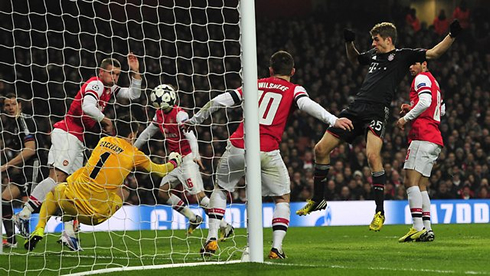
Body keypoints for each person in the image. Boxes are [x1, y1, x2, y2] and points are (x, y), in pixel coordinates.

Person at [185, 50, 353, 259]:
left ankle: (211, 239)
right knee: (282, 198)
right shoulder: (294, 89)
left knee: (221, 190)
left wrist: (196, 119)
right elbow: (306, 105)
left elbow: (221, 100)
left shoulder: (255, 84)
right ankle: (276, 248)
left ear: (271, 70)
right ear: (292, 71)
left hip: (238, 146)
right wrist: (333, 119)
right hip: (267, 150)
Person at [296, 20, 462, 232]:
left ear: (388, 39)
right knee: (320, 149)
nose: (373, 43)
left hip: (377, 109)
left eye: (376, 39)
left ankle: (379, 212)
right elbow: (355, 59)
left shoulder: (404, 56)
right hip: (356, 108)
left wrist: (452, 35)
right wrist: (349, 43)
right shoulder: (373, 55)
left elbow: (434, 53)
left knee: (372, 156)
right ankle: (318, 199)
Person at [14, 53, 142, 242]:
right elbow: (88, 106)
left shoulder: (109, 89)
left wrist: (136, 72)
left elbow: (134, 94)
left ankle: (68, 233)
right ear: (101, 72)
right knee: (57, 178)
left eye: (117, 74)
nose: (114, 77)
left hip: (78, 137)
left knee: (73, 186)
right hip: (67, 132)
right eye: (111, 73)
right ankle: (24, 215)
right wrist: (105, 120)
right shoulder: (96, 84)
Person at [24, 116, 182, 251]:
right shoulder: (134, 154)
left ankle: (39, 228)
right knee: (120, 195)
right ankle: (69, 232)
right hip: (94, 215)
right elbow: (161, 171)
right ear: (132, 135)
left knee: (56, 189)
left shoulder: (103, 141)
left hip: (71, 200)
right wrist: (174, 161)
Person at [134, 84, 233, 239]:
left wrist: (196, 155)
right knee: (163, 192)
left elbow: (191, 136)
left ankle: (225, 226)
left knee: (200, 197)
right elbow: (146, 134)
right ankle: (193, 218)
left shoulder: (180, 115)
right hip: (175, 160)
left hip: (187, 160)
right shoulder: (158, 115)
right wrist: (133, 150)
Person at [396, 61, 444, 242]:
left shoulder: (421, 77)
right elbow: (441, 109)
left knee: (410, 181)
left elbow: (425, 101)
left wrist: (405, 118)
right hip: (434, 138)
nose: (410, 67)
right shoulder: (434, 82)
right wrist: (411, 108)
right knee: (421, 185)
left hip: (423, 136)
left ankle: (417, 227)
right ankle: (427, 229)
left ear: (424, 64)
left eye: (414, 63)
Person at [1, 94, 45, 248]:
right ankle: (12, 240)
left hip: (35, 165)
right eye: (7, 105)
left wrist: (7, 165)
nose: (11, 108)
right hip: (23, 167)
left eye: (13, 104)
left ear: (20, 105)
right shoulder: (12, 124)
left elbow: (30, 150)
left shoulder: (24, 121)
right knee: (4, 200)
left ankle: (71, 223)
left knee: (33, 203)